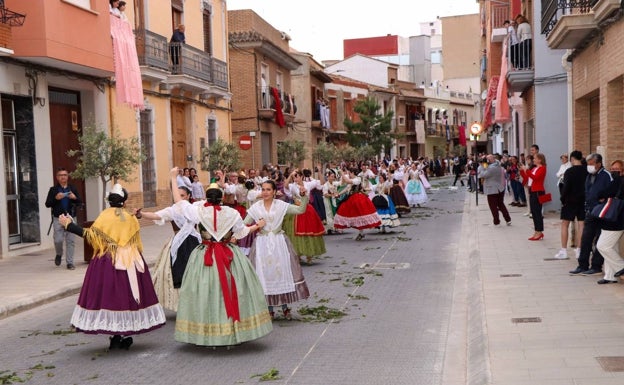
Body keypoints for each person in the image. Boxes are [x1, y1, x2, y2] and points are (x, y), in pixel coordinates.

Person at [168, 170, 273, 346]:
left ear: (206, 198)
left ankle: (208, 334)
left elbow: (179, 202)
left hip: (204, 255)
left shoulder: (198, 212)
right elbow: (241, 232)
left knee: (204, 292)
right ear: (222, 197)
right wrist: (258, 225)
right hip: (228, 254)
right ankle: (233, 331)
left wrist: (172, 177)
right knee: (234, 289)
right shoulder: (231, 213)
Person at [58, 184, 166, 350]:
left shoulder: (105, 216)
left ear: (109, 201)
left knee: (112, 296)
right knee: (129, 296)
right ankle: (125, 334)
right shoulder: (130, 217)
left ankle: (116, 336)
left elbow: (90, 235)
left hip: (109, 260)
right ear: (124, 201)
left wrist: (68, 225)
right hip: (131, 259)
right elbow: (134, 238)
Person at [245, 180, 311, 319]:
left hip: (279, 243)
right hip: (262, 244)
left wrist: (304, 197)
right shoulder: (255, 208)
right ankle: (269, 309)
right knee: (265, 274)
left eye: (268, 189)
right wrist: (256, 226)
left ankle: (285, 307)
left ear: (274, 192)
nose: (265, 192)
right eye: (263, 189)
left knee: (281, 273)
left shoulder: (281, 205)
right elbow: (244, 225)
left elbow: (300, 210)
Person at [137, 186, 201, 312]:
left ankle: (196, 303)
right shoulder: (172, 211)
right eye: (179, 195)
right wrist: (141, 214)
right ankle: (180, 304)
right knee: (175, 273)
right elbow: (156, 215)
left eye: (183, 195)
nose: (180, 198)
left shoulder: (195, 208)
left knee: (196, 274)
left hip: (194, 243)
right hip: (178, 244)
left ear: (188, 196)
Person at [569, 153, 617, 275]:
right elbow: (587, 192)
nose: (589, 167)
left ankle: (596, 266)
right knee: (586, 239)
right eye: (588, 164)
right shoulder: (589, 176)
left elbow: (612, 192)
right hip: (591, 212)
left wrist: (604, 198)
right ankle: (582, 265)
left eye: (591, 164)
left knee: (599, 240)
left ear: (598, 164)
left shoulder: (606, 176)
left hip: (602, 213)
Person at [283, 170, 326, 265]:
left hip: (307, 209)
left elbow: (321, 182)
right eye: (294, 177)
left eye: (297, 176)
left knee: (308, 231)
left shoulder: (308, 184)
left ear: (301, 176)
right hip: (297, 210)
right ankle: (298, 255)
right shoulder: (293, 186)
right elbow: (285, 186)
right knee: (295, 233)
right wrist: (290, 175)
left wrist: (319, 171)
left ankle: (309, 256)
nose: (295, 179)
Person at [45, 168, 82, 270]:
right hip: (58, 218)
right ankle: (59, 254)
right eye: (60, 175)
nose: (63, 177)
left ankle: (70, 263)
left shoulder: (72, 188)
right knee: (58, 240)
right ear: (57, 177)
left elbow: (80, 202)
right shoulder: (53, 190)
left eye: (65, 175)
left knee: (70, 241)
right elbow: (48, 204)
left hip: (71, 218)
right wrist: (56, 198)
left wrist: (74, 198)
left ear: (67, 176)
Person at [595, 160, 624, 284]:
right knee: (612, 247)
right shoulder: (617, 181)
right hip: (614, 218)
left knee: (603, 246)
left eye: (616, 169)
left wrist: (604, 196)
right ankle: (610, 276)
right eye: (612, 169)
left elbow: (602, 193)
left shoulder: (619, 181)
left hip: (615, 220)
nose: (613, 171)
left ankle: (621, 267)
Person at [333, 168, 382, 241]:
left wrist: (341, 173)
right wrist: (338, 194)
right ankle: (361, 233)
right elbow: (347, 189)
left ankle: (361, 233)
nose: (349, 175)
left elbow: (347, 181)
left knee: (360, 215)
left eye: (350, 173)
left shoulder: (358, 179)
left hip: (358, 199)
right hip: (352, 199)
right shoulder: (353, 181)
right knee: (353, 214)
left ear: (353, 173)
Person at [555, 151, 587, 260]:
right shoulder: (586, 170)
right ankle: (579, 250)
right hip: (583, 201)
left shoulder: (569, 171)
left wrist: (562, 199)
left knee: (565, 224)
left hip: (569, 201)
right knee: (581, 225)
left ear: (572, 159)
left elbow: (566, 187)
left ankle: (563, 251)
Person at [479, 154, 512, 226]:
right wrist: (485, 164)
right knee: (501, 205)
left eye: (487, 159)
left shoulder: (491, 168)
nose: (485, 160)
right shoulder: (498, 165)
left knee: (493, 206)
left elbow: (482, 175)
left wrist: (482, 165)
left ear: (489, 160)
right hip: (499, 188)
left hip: (492, 189)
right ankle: (508, 219)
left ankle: (496, 221)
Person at [520, 152, 547, 240]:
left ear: (540, 160)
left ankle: (539, 231)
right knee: (534, 213)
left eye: (535, 158)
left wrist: (526, 170)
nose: (533, 160)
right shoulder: (534, 168)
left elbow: (535, 178)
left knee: (537, 213)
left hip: (538, 192)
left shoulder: (542, 168)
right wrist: (522, 170)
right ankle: (536, 231)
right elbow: (528, 177)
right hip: (532, 191)